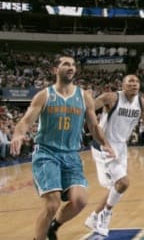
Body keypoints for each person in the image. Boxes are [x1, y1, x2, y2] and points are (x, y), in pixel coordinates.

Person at [9, 55, 116, 240]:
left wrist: (105, 143)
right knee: (52, 204)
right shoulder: (45, 95)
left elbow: (93, 126)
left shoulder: (84, 96)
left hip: (71, 155)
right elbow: (26, 121)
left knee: (80, 201)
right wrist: (18, 135)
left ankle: (54, 226)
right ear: (55, 70)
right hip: (47, 153)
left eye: (73, 64)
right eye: (66, 64)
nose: (71, 67)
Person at [84, 74, 144, 236]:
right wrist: (87, 99)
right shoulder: (111, 98)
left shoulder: (141, 103)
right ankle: (106, 214)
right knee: (123, 183)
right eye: (130, 82)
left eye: (137, 82)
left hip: (121, 147)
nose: (134, 84)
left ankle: (94, 217)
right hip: (104, 145)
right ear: (123, 85)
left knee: (115, 187)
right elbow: (89, 108)